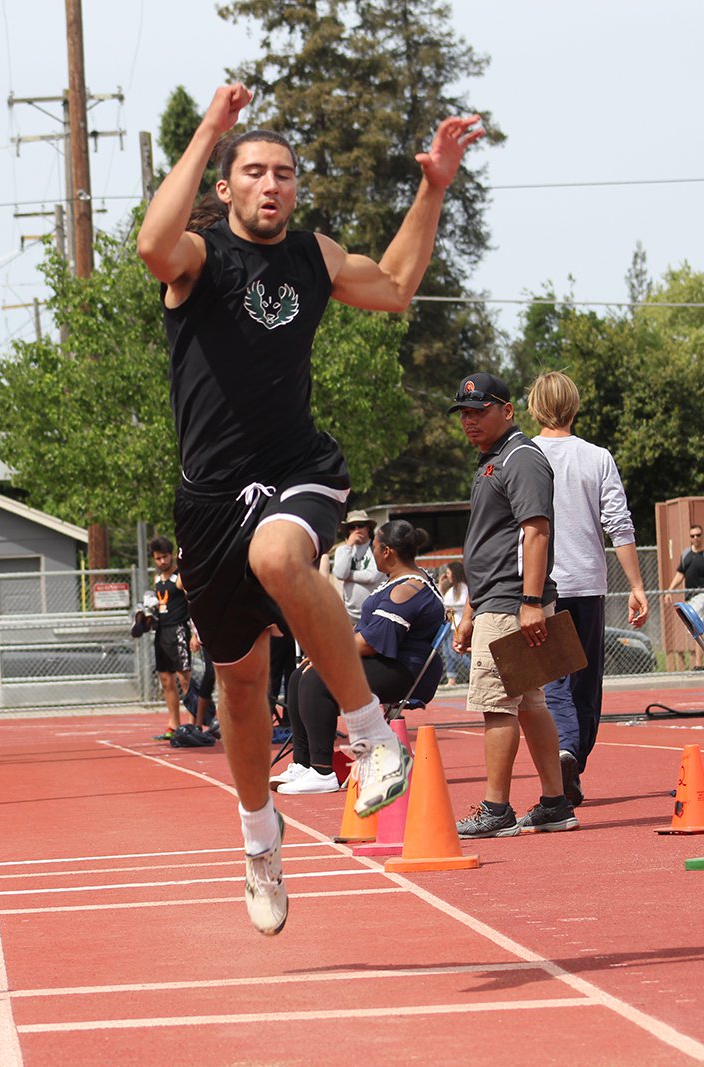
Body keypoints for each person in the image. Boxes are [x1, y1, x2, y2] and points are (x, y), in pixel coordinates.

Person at [137, 81, 482, 934]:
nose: (271, 185)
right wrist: (210, 128)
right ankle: (260, 839)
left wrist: (433, 185)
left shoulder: (315, 258)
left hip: (298, 467)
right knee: (242, 687)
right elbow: (150, 244)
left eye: (285, 173)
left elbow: (398, 284)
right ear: (226, 186)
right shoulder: (199, 259)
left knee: (280, 557)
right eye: (253, 171)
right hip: (210, 500)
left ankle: (371, 735)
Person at [448, 373, 577, 838]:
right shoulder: (495, 459)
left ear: (508, 410)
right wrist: (468, 611)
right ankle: (555, 802)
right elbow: (487, 542)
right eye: (464, 412)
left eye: (480, 411)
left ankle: (496, 809)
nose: (470, 420)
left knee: (498, 704)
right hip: (497, 600)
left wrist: (529, 602)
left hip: (510, 600)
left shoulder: (520, 457)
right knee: (531, 704)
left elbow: (536, 531)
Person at [528, 371, 648, 807]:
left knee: (551, 681)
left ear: (534, 406)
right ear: (574, 408)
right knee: (585, 684)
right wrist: (636, 584)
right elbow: (619, 523)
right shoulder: (597, 457)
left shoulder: (521, 455)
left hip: (539, 586)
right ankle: (573, 756)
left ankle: (564, 756)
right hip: (587, 584)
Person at [275, 520, 445, 795]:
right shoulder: (399, 582)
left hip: (402, 671)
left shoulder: (408, 589)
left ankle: (322, 771)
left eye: (374, 547)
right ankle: (304, 764)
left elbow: (371, 642)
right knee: (298, 675)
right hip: (388, 662)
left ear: (387, 551)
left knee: (318, 678)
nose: (372, 553)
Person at [136, 536, 192, 741]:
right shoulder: (157, 580)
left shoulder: (179, 577)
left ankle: (194, 722)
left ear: (172, 555)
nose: (162, 562)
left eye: (165, 557)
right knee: (166, 680)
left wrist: (194, 633)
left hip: (178, 630)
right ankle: (174, 724)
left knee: (184, 678)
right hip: (161, 631)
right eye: (158, 558)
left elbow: (191, 602)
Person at [664, 524, 704, 670]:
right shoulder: (686, 554)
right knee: (697, 631)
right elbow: (680, 574)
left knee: (699, 629)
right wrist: (669, 590)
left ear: (702, 536)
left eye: (698, 535)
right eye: (693, 536)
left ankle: (698, 664)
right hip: (690, 598)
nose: (696, 538)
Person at [326, 511, 383, 622]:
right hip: (349, 616)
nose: (356, 530)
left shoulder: (376, 548)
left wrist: (348, 575)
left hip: (376, 614)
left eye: (360, 525)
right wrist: (349, 546)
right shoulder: (342, 550)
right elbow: (340, 574)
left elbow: (372, 576)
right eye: (352, 527)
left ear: (368, 528)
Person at [437, 562, 472, 685]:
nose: (447, 576)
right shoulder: (451, 589)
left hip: (458, 624)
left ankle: (473, 669)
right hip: (450, 625)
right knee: (447, 653)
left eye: (448, 573)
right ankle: (451, 678)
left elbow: (461, 604)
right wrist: (441, 585)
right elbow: (442, 601)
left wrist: (450, 607)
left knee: (454, 652)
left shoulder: (463, 588)